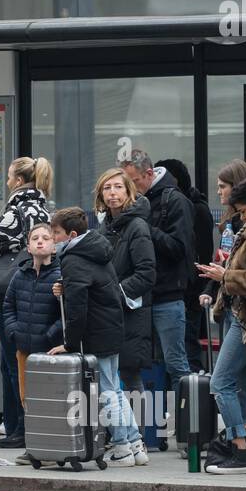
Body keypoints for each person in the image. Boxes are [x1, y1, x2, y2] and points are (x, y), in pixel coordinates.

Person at [47, 206, 143, 466]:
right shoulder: (97, 250)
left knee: (106, 394)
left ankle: (122, 448)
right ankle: (136, 444)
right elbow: (95, 288)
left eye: (56, 233)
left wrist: (69, 343)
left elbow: (78, 307)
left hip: (96, 334)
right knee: (116, 390)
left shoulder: (73, 258)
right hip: (111, 328)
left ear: (71, 234)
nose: (53, 237)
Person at [195, 177, 246, 473]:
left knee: (220, 383)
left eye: (243, 210)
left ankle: (240, 449)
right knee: (239, 385)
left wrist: (224, 277)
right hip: (235, 313)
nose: (240, 216)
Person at [0, 155, 51, 449]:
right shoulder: (44, 207)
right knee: (24, 358)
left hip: (13, 291)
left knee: (12, 360)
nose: (7, 182)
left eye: (9, 177)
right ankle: (18, 424)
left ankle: (19, 427)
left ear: (19, 181)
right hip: (38, 290)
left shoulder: (17, 209)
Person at [119, 149, 194, 391]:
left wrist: (144, 228)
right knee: (141, 364)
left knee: (174, 363)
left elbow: (179, 249)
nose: (129, 188)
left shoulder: (174, 200)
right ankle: (153, 425)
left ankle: (186, 426)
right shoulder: (134, 204)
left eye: (134, 182)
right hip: (140, 298)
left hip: (167, 295)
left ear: (149, 174)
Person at [94, 169, 156, 413]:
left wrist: (114, 295)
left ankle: (136, 438)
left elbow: (146, 273)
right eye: (107, 188)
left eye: (118, 187)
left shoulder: (137, 226)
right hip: (109, 312)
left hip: (130, 311)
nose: (112, 193)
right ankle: (119, 435)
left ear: (129, 191)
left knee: (130, 376)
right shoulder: (105, 227)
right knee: (109, 377)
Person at [1, 222, 63, 465]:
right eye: (35, 238)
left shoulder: (60, 275)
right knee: (28, 399)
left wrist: (51, 334)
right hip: (24, 349)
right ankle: (34, 447)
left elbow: (65, 313)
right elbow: (8, 306)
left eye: (45, 238)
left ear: (54, 247)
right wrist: (13, 331)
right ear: (27, 247)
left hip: (49, 352)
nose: (40, 241)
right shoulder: (21, 274)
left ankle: (52, 449)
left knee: (51, 401)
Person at [157, 158, 214, 374]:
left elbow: (200, 252)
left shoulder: (195, 209)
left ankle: (193, 397)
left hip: (190, 290)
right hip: (182, 289)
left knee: (186, 348)